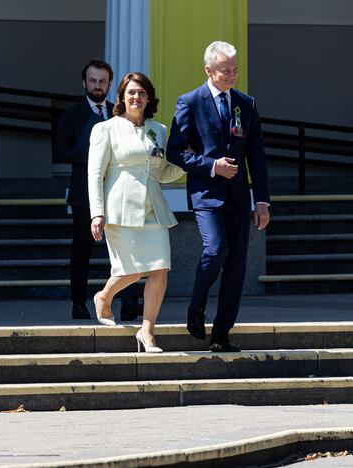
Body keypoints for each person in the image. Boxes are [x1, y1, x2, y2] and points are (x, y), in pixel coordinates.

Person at [166, 41, 270, 353]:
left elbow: (257, 155)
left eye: (236, 69)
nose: (232, 75)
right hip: (206, 194)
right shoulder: (190, 102)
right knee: (216, 248)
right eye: (226, 70)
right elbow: (175, 151)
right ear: (209, 71)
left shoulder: (245, 104)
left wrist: (262, 200)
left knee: (236, 266)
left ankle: (222, 334)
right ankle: (196, 307)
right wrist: (211, 166)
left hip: (238, 197)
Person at [87, 72, 185, 353]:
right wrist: (97, 213)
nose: (136, 97)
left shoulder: (159, 129)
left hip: (153, 208)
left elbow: (164, 174)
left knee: (160, 269)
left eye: (142, 92)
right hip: (119, 209)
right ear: (121, 97)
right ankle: (104, 297)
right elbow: (95, 174)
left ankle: (148, 331)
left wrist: (186, 162)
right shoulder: (106, 129)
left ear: (149, 97)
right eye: (131, 92)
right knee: (134, 269)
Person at [54, 59, 144, 321]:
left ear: (110, 83)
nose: (97, 86)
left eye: (102, 81)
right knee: (82, 248)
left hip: (119, 191)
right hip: (85, 194)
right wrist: (96, 154)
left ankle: (129, 303)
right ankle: (78, 303)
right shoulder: (72, 115)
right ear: (84, 83)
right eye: (92, 81)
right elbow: (60, 151)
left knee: (126, 248)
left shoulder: (119, 112)